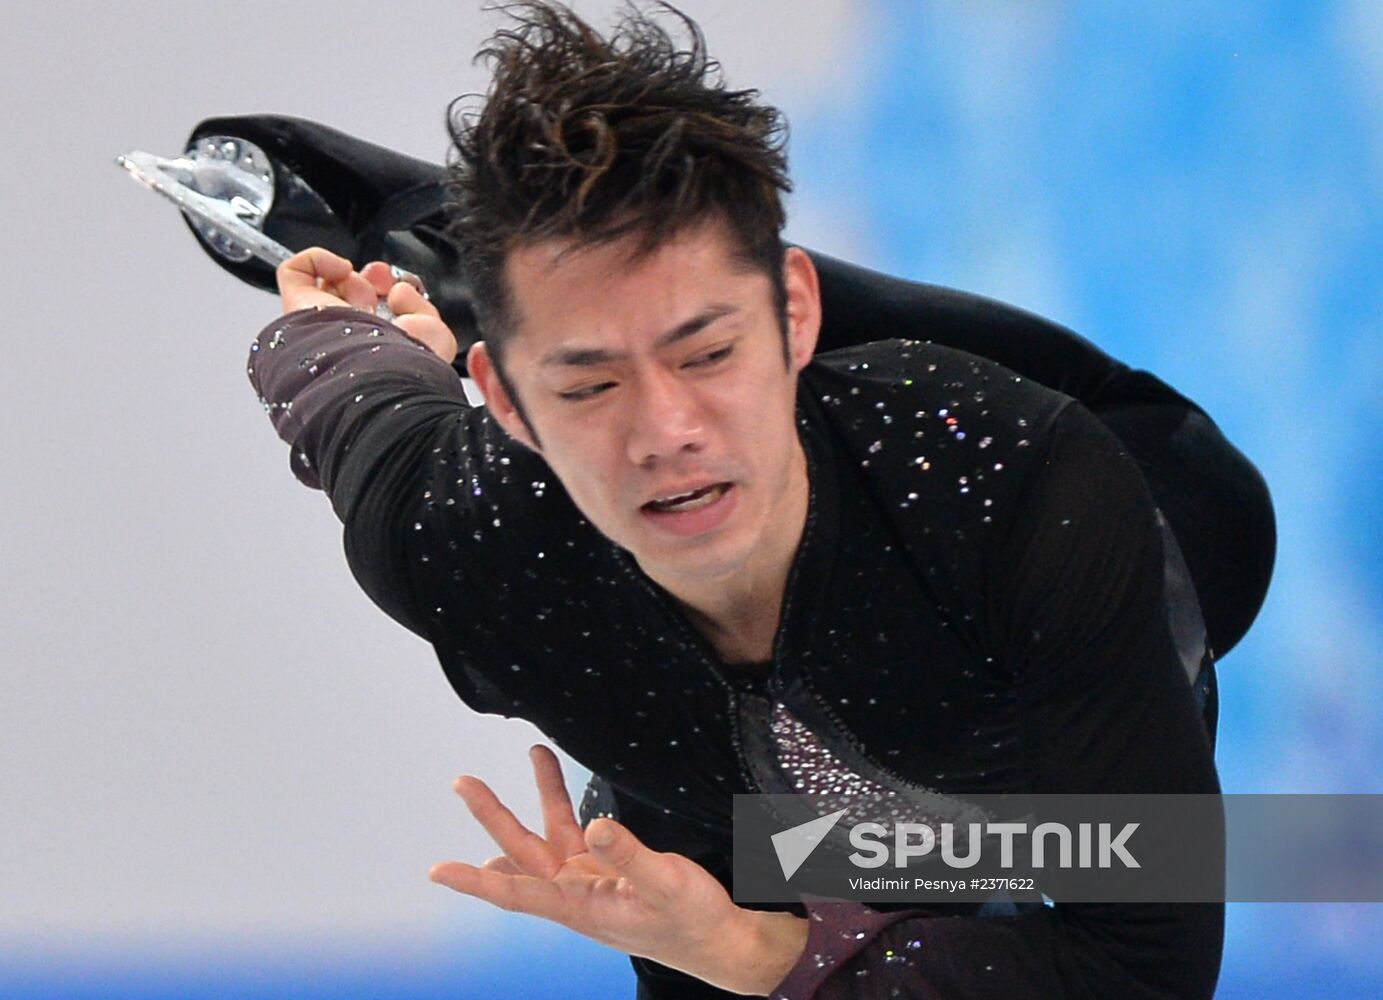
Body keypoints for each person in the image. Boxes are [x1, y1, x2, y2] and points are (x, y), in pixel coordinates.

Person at [246, 3, 1272, 996]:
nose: (665, 434)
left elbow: (1146, 969)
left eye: (708, 354)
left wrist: (759, 956)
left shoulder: (1011, 490)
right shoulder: (470, 535)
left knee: (1135, 486)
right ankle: (616, 313)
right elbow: (369, 423)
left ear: (794, 318)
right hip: (766, 806)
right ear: (505, 400)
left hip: (1144, 512)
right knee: (772, 861)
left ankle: (524, 262)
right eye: (590, 384)